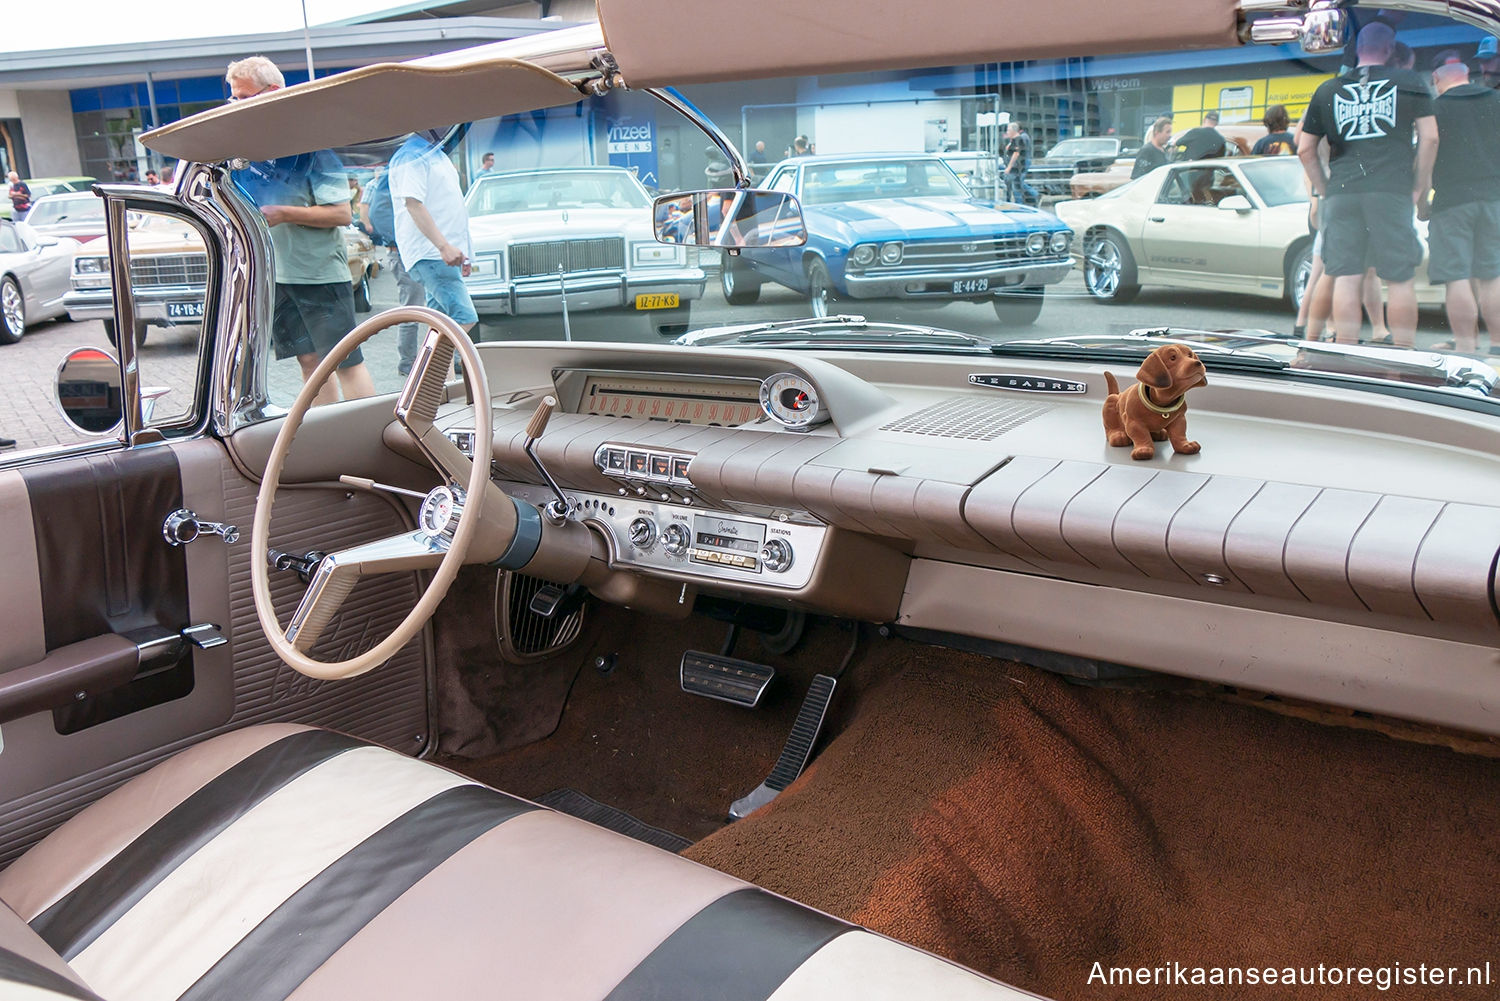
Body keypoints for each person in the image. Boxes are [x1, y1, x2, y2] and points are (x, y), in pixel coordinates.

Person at [227, 56, 375, 406]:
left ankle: (365, 442)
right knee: (309, 361)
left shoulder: (313, 149)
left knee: (345, 363)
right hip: (278, 275)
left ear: (273, 93)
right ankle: (326, 439)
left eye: (243, 98)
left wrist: (282, 213)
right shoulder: (249, 153)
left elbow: (342, 214)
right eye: (233, 98)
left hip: (320, 275)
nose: (235, 106)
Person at [1298, 21, 1436, 349]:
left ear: (1358, 49)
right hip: (1391, 189)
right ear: (1389, 50)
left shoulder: (1327, 89)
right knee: (1399, 277)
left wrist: (1327, 189)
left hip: (1343, 192)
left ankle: (1346, 350)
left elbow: (1305, 149)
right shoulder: (1408, 81)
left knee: (1347, 276)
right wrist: (1419, 186)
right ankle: (1402, 357)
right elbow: (1430, 138)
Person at [1424, 56, 1500, 353]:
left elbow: (1426, 154)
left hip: (1451, 202)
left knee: (1456, 277)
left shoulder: (1434, 107)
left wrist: (1420, 198)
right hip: (1494, 199)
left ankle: (1466, 347)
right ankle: (1497, 345)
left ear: (1436, 80)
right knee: (1492, 274)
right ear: (1467, 74)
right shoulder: (1496, 100)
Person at [390, 132, 478, 337]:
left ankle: (431, 369)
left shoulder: (433, 152)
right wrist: (443, 247)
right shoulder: (411, 155)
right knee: (463, 319)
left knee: (439, 327)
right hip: (432, 253)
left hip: (440, 253)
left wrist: (461, 252)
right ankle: (430, 368)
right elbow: (413, 204)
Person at [359, 168, 427, 376]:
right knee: (412, 309)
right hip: (403, 252)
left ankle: (427, 361)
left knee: (421, 308)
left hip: (412, 250)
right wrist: (396, 238)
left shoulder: (400, 177)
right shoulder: (390, 178)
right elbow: (371, 211)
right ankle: (408, 363)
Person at [1002, 122, 1037, 205]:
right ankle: (1029, 197)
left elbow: (1016, 153)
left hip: (1019, 165)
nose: (1007, 132)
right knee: (1016, 184)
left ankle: (1033, 195)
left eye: (1009, 130)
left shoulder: (1021, 138)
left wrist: (1009, 167)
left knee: (1017, 184)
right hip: (1017, 165)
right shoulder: (1017, 138)